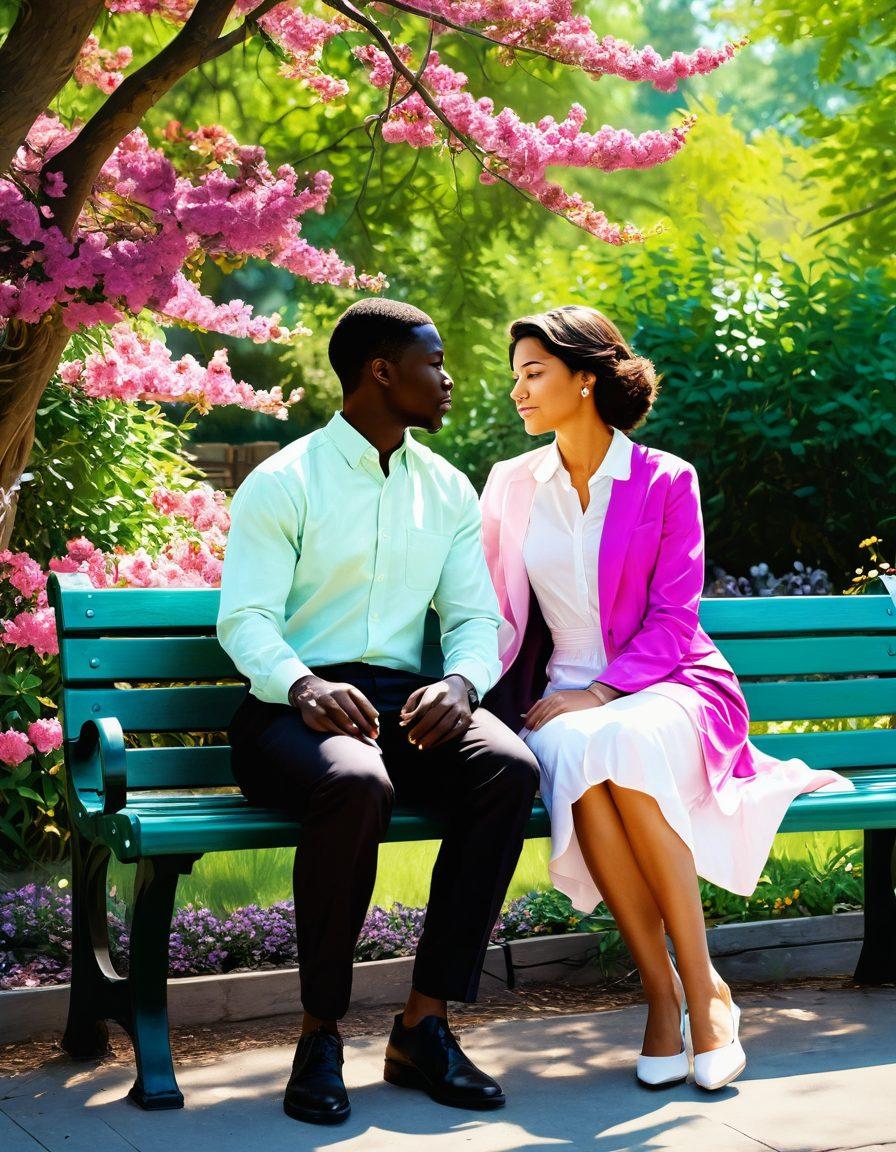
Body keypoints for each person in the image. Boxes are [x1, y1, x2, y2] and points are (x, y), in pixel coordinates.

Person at [479, 304, 854, 1092]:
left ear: (586, 379)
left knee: (617, 737)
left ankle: (706, 987)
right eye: (516, 375)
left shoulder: (664, 478)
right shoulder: (511, 485)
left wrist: (606, 689)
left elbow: (675, 616)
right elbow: (492, 608)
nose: (518, 390)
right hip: (559, 697)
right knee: (578, 745)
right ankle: (663, 992)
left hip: (671, 681)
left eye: (533, 373)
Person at [216, 298, 539, 1125]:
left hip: (398, 702)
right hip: (285, 709)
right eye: (435, 363)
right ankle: (318, 1035)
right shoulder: (285, 481)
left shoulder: (446, 488)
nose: (449, 379)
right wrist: (303, 687)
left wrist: (462, 683)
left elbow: (474, 620)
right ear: (381, 372)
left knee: (508, 769)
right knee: (358, 782)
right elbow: (245, 620)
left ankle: (424, 1026)